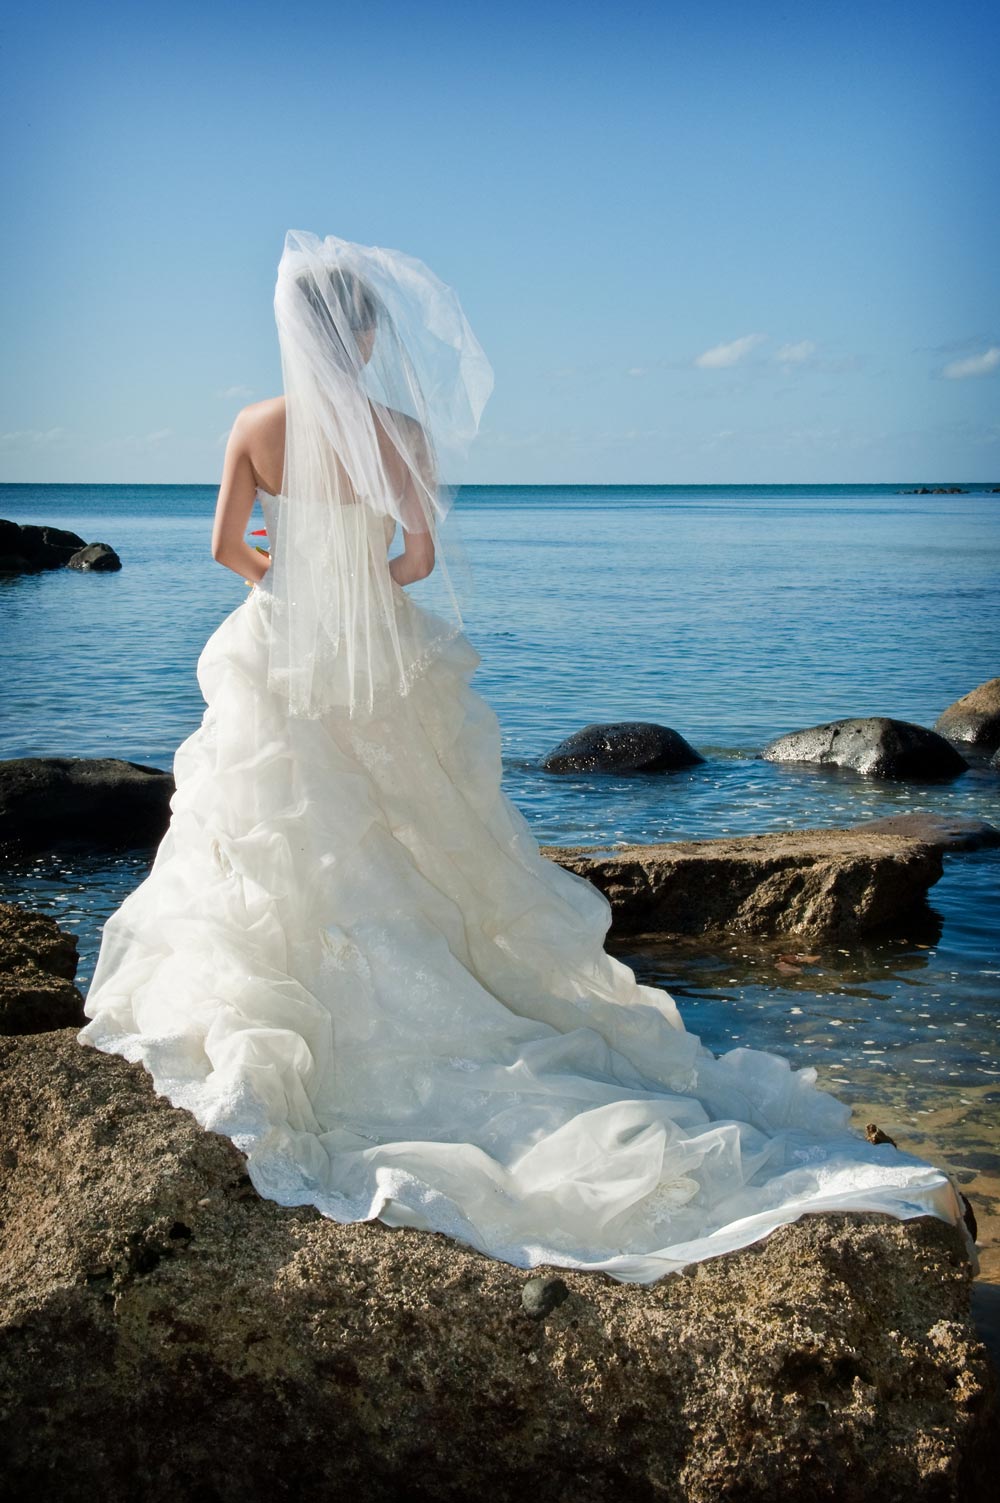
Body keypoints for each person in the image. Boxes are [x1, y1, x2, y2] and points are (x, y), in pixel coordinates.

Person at [77, 230, 968, 1283]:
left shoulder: (254, 426)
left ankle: (301, 1010)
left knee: (269, 835)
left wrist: (297, 576)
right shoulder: (398, 426)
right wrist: (360, 586)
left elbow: (227, 548)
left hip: (279, 647)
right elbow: (415, 554)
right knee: (418, 830)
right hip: (381, 655)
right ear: (362, 338)